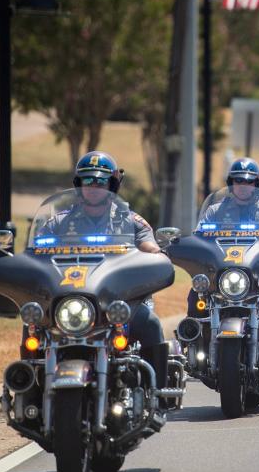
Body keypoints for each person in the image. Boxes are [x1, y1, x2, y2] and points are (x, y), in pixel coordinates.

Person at [40, 151, 168, 392]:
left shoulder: (131, 221)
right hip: (69, 300)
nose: (94, 186)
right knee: (33, 323)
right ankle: (30, 383)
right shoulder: (58, 223)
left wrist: (156, 255)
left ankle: (157, 393)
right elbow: (36, 254)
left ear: (113, 184)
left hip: (120, 302)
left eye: (101, 181)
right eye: (88, 180)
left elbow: (150, 247)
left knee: (149, 323)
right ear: (79, 185)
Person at [188, 158, 259, 317]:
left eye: (249, 181)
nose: (243, 185)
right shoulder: (214, 211)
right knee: (196, 291)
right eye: (238, 180)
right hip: (221, 272)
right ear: (231, 183)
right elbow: (196, 239)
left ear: (256, 184)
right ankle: (193, 336)